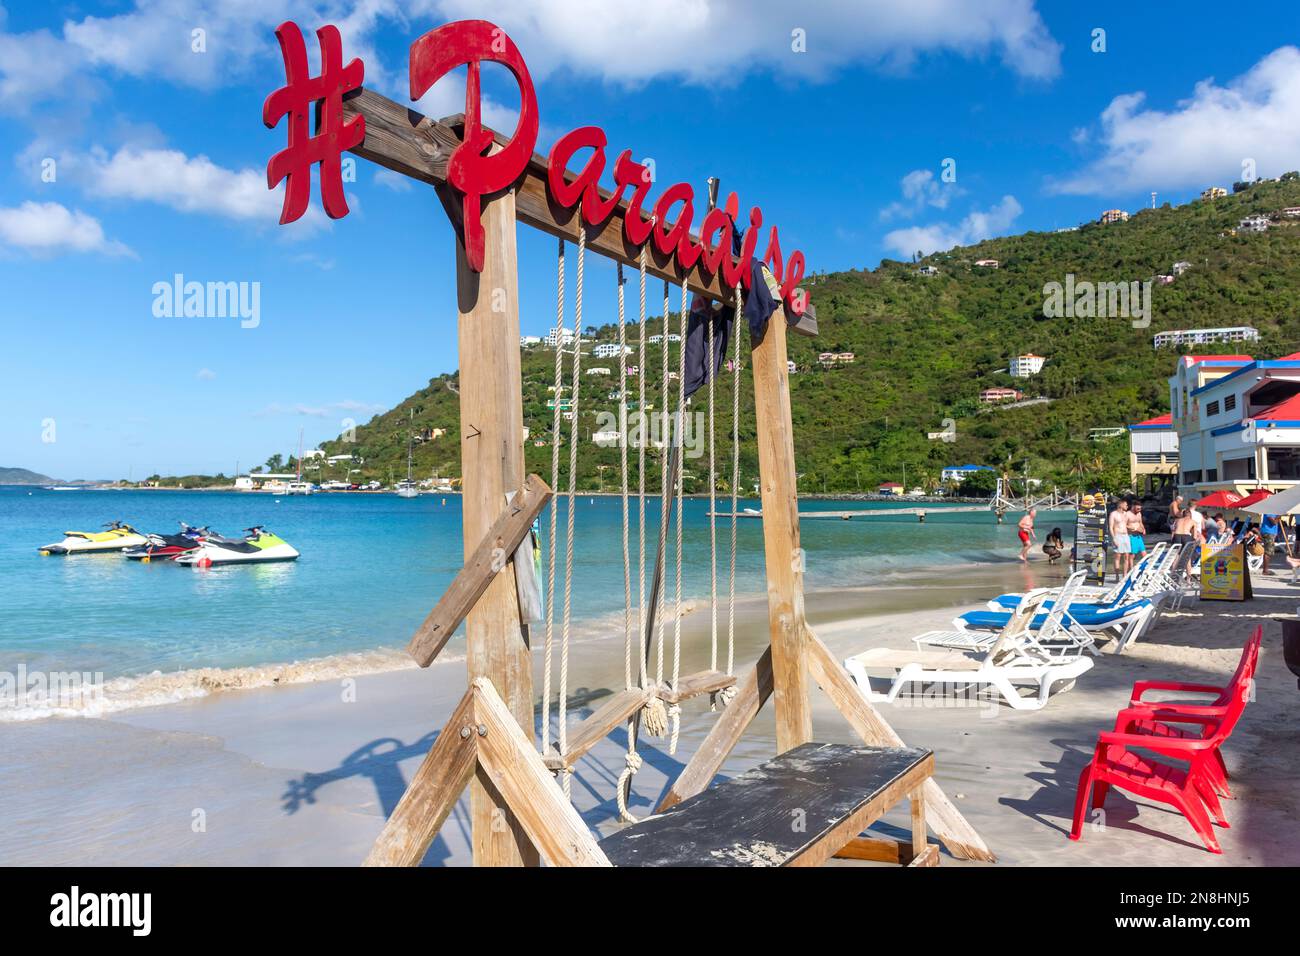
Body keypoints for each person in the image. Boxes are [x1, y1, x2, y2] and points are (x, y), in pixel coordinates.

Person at [1108, 498, 1131, 575]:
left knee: (1127, 556)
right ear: (1121, 505)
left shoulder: (1126, 514)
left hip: (1126, 536)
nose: (1127, 506)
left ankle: (1125, 575)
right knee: (1118, 556)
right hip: (1118, 536)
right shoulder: (1113, 514)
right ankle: (1117, 576)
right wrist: (1114, 538)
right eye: (1126, 505)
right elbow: (1111, 527)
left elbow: (1126, 525)